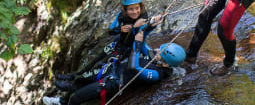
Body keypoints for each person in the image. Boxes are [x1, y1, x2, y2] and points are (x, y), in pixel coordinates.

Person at [42, 31, 186, 105]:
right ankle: (61, 101)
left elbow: (134, 67)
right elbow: (142, 39)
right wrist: (149, 27)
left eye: (161, 52)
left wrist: (136, 46)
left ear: (166, 64)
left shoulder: (156, 74)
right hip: (111, 70)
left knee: (77, 97)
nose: (157, 51)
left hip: (113, 83)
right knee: (78, 82)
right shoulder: (156, 58)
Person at [56, 0, 161, 84]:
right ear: (125, 9)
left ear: (140, 6)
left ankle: (76, 82)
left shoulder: (143, 16)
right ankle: (73, 76)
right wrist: (120, 29)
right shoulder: (121, 15)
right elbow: (111, 30)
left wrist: (150, 24)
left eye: (136, 8)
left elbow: (140, 34)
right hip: (118, 43)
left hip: (128, 49)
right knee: (94, 61)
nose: (134, 12)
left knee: (100, 67)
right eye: (131, 9)